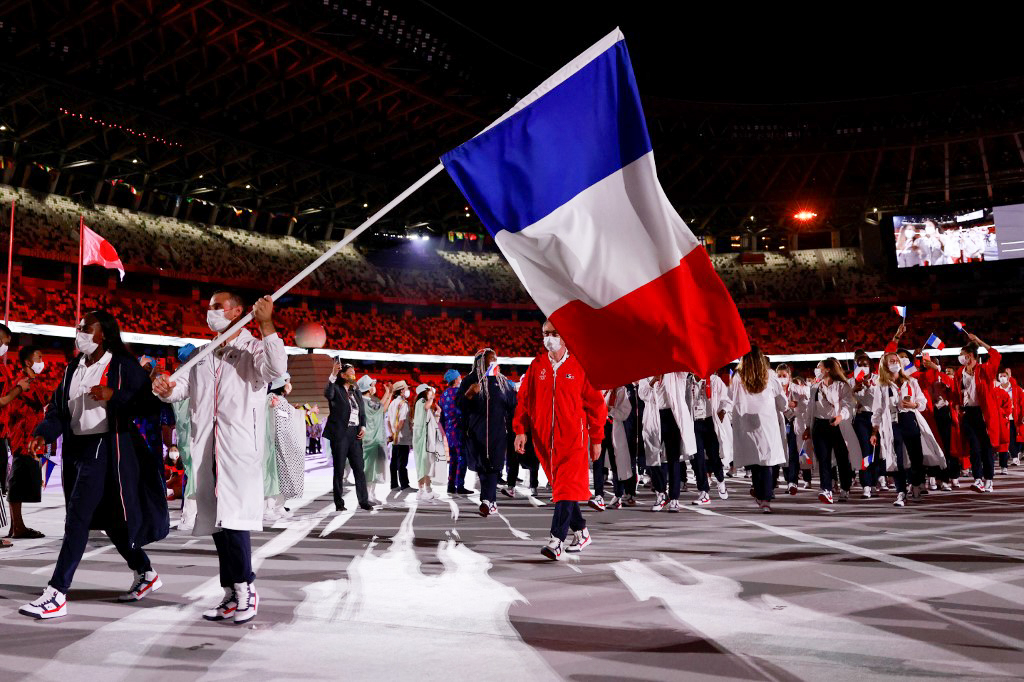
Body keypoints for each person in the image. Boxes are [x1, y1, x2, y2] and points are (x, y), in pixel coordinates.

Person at [20, 311, 170, 620]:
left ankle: (56, 593)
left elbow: (149, 405)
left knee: (77, 518)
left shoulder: (122, 365)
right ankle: (146, 572)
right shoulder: (73, 368)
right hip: (77, 449)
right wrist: (42, 435)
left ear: (103, 334)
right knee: (112, 522)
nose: (79, 333)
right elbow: (59, 411)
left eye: (86, 328)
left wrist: (113, 395)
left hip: (107, 447)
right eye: (78, 328)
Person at [152, 291, 286, 625]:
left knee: (236, 521)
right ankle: (230, 591)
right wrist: (164, 388)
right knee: (217, 524)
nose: (209, 312)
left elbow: (275, 368)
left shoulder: (253, 349)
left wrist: (267, 324)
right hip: (206, 448)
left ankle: (247, 589)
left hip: (238, 450)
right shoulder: (203, 353)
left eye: (216, 307)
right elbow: (179, 386)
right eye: (208, 308)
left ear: (238, 312)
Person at [513, 320, 605, 560]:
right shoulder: (537, 366)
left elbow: (596, 406)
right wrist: (520, 430)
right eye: (545, 333)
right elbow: (524, 400)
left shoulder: (580, 366)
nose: (549, 338)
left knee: (564, 489)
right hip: (545, 441)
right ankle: (582, 531)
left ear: (565, 337)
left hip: (573, 439)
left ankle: (556, 541)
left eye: (554, 333)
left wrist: (596, 438)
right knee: (565, 490)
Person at [870, 352, 944, 507]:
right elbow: (877, 409)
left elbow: (922, 401)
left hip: (910, 419)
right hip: (892, 422)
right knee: (897, 458)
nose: (895, 363)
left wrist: (914, 405)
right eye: (891, 361)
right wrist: (874, 431)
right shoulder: (881, 385)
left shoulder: (911, 381)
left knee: (916, 456)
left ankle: (916, 484)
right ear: (885, 364)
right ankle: (901, 492)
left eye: (896, 360)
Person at [457, 348, 517, 516]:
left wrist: (517, 430)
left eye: (495, 358)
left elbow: (513, 406)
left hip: (498, 432)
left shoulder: (503, 382)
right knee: (483, 467)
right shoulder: (470, 380)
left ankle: (486, 500)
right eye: (490, 359)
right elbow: (459, 405)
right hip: (477, 431)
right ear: (480, 361)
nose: (493, 361)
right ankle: (490, 501)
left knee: (493, 467)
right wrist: (469, 394)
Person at [731, 346, 787, 513]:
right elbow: (782, 403)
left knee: (755, 461)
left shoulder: (738, 377)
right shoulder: (770, 375)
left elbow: (731, 398)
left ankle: (760, 492)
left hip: (747, 423)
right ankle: (766, 499)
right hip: (767, 423)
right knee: (767, 462)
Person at [5, 345, 50, 540]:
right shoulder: (24, 382)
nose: (42, 361)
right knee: (17, 480)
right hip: (23, 437)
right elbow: (44, 399)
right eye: (39, 356)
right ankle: (18, 527)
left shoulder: (32, 381)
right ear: (28, 362)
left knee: (22, 481)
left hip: (30, 437)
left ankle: (17, 526)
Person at [802, 357, 860, 504]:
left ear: (828, 369)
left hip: (837, 424)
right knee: (823, 459)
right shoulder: (815, 387)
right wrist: (808, 427)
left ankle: (845, 488)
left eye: (819, 366)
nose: (817, 369)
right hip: (819, 425)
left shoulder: (842, 386)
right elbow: (810, 408)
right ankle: (826, 489)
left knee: (841, 458)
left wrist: (841, 417)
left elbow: (849, 405)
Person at [640, 372, 698, 512]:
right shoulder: (646, 372)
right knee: (652, 457)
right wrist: (653, 380)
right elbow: (643, 395)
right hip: (654, 415)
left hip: (672, 415)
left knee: (673, 458)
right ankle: (661, 493)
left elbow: (684, 372)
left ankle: (674, 498)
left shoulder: (675, 372)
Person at [953, 334, 1001, 492]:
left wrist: (979, 341)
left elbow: (996, 355)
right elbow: (957, 393)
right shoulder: (959, 373)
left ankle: (989, 479)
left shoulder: (984, 370)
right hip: (968, 413)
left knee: (986, 447)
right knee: (973, 446)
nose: (961, 357)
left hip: (983, 413)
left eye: (963, 354)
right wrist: (958, 406)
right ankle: (978, 479)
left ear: (971, 356)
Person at [324, 360, 372, 512]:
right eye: (351, 373)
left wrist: (363, 426)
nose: (354, 375)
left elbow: (362, 412)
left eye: (354, 373)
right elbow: (328, 394)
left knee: (359, 468)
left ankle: (363, 501)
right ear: (343, 375)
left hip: (355, 434)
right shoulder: (336, 389)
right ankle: (339, 503)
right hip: (340, 434)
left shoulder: (356, 391)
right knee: (339, 469)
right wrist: (332, 374)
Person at [684, 372, 732, 506]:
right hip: (695, 423)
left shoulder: (714, 380)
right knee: (697, 458)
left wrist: (723, 411)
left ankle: (720, 479)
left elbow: (726, 400)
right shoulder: (688, 382)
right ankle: (703, 492)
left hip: (710, 422)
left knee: (714, 456)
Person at [170, 344, 197, 530]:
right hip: (193, 432)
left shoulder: (177, 375)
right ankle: (189, 517)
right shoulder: (190, 377)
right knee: (196, 475)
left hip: (185, 433)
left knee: (192, 474)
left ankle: (189, 515)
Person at [849, 350, 882, 498]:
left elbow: (880, 399)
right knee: (865, 450)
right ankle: (866, 485)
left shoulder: (878, 379)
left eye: (865, 364)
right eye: (859, 364)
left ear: (871, 366)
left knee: (876, 451)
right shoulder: (851, 381)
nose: (862, 367)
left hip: (876, 417)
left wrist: (870, 387)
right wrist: (852, 391)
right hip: (861, 418)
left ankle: (874, 481)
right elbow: (845, 403)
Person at [358, 374, 393, 503]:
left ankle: (371, 494)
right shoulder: (365, 401)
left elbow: (382, 409)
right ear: (368, 387)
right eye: (373, 385)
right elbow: (380, 407)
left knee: (374, 469)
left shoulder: (368, 401)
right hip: (369, 440)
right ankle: (367, 496)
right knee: (369, 469)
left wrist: (389, 395)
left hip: (373, 440)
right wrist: (388, 393)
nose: (374, 387)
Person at [777, 363, 810, 494]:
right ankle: (787, 480)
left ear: (789, 377)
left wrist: (796, 403)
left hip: (794, 420)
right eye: (779, 376)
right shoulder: (775, 389)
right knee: (783, 452)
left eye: (784, 375)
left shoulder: (796, 388)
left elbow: (807, 397)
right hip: (780, 421)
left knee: (793, 452)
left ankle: (793, 482)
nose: (782, 378)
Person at [438, 369, 471, 495]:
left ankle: (451, 485)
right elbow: (464, 411)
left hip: (449, 431)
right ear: (456, 379)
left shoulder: (443, 394)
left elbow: (442, 417)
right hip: (459, 429)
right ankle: (460, 485)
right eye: (459, 377)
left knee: (453, 459)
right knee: (462, 458)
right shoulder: (459, 393)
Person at [412, 384, 446, 501]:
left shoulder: (425, 404)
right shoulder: (421, 402)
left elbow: (432, 423)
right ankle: (421, 491)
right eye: (429, 391)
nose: (432, 393)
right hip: (422, 440)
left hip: (428, 440)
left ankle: (428, 489)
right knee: (423, 465)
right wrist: (431, 398)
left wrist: (438, 413)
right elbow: (426, 407)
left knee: (429, 464)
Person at [386, 380, 413, 493]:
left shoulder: (392, 403)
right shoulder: (403, 403)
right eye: (406, 389)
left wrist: (392, 434)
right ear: (401, 391)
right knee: (402, 462)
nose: (407, 391)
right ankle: (405, 485)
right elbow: (402, 421)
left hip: (395, 437)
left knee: (394, 461)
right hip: (402, 437)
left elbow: (387, 421)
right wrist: (397, 433)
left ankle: (394, 484)